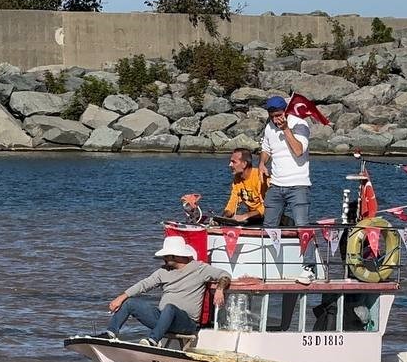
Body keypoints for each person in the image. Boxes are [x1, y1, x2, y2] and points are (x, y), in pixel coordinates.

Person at [98, 236, 231, 346]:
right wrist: (121, 297)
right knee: (130, 303)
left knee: (170, 308)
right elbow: (144, 284)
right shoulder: (163, 271)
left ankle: (153, 341)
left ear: (176, 256)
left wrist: (220, 289)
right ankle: (110, 333)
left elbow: (224, 275)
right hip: (162, 318)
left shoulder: (200, 269)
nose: (164, 259)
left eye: (166, 256)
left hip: (186, 323)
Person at [260, 95, 314, 284]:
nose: (276, 119)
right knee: (269, 226)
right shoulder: (269, 127)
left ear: (286, 111)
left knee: (302, 225)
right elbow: (266, 148)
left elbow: (299, 151)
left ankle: (309, 268)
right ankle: (268, 264)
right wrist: (262, 164)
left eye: (279, 115)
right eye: (272, 116)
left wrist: (286, 130)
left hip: (298, 184)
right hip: (276, 185)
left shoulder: (300, 125)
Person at [220, 148, 266, 224]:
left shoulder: (260, 177)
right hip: (253, 217)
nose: (230, 165)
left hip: (269, 217)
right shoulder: (237, 179)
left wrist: (246, 216)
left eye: (233, 162)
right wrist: (224, 217)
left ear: (244, 164)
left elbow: (268, 206)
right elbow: (233, 202)